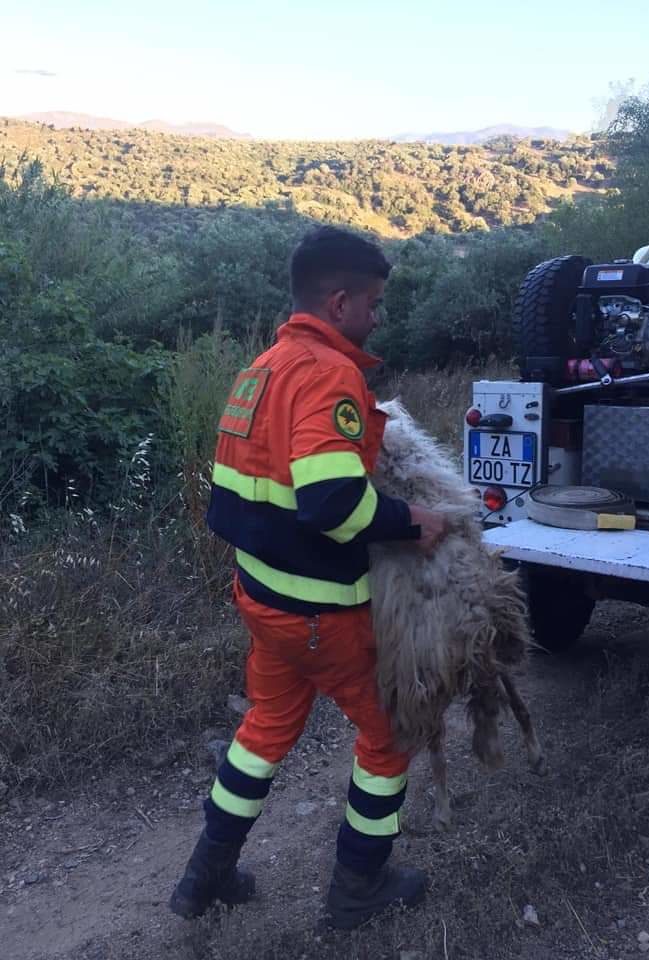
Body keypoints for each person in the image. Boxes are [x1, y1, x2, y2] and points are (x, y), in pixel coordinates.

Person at [169, 225, 447, 930]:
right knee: (389, 738)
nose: (378, 318)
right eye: (375, 304)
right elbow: (330, 502)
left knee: (264, 728)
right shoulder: (329, 374)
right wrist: (414, 521)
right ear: (339, 300)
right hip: (323, 612)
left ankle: (204, 878)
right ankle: (359, 889)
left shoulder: (260, 368)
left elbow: (237, 496)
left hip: (263, 601)